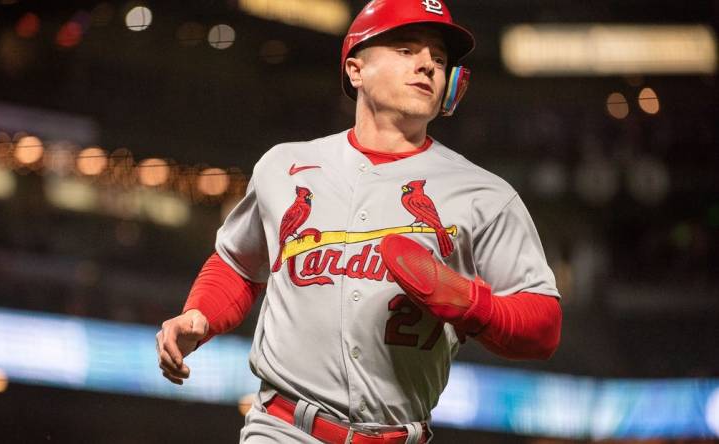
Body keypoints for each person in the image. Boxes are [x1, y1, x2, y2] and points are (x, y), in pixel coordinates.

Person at [156, 0, 562, 442]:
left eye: (439, 59)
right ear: (355, 70)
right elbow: (237, 264)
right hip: (283, 429)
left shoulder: (486, 194)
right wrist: (199, 315)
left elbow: (543, 325)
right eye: (407, 50)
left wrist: (472, 305)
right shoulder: (285, 165)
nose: (427, 64)